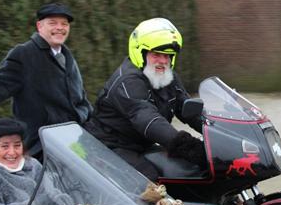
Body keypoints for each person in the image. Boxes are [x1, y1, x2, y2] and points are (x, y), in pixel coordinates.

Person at [0, 2, 92, 158]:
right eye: (53, 23)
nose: (60, 28)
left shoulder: (67, 57)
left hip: (73, 141)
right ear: (40, 26)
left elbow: (79, 99)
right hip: (41, 147)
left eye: (64, 24)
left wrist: (87, 119)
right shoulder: (24, 54)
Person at [84, 18, 205, 181]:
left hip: (140, 144)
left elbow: (186, 107)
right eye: (156, 54)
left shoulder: (167, 76)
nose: (163, 61)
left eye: (167, 55)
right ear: (141, 53)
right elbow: (149, 120)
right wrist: (191, 148)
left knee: (188, 170)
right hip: (108, 146)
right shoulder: (128, 81)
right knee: (149, 180)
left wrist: (217, 130)